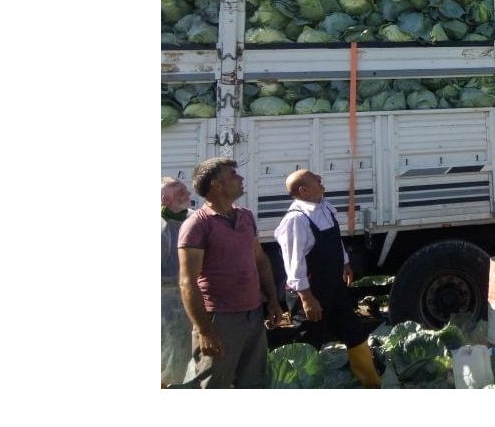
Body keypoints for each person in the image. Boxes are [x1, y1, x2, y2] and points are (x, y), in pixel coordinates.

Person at [177, 157, 284, 388]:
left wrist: (273, 300)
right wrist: (205, 330)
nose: (241, 178)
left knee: (253, 382)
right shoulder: (197, 225)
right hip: (220, 320)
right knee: (215, 383)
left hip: (253, 314)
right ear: (217, 185)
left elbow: (260, 261)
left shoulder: (245, 216)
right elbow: (187, 283)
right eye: (233, 175)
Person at [273, 169, 382, 388]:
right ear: (303, 190)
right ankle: (300, 386)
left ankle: (371, 382)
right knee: (308, 340)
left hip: (334, 286)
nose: (320, 180)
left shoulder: (325, 207)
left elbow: (336, 242)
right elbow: (294, 264)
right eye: (315, 178)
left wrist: (345, 263)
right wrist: (306, 298)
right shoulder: (296, 220)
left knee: (353, 330)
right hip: (311, 291)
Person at [160, 177, 194, 387]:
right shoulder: (160, 227)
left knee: (192, 345)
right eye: (179, 192)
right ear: (165, 199)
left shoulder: (194, 219)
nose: (186, 194)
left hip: (194, 294)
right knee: (170, 347)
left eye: (185, 190)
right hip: (168, 300)